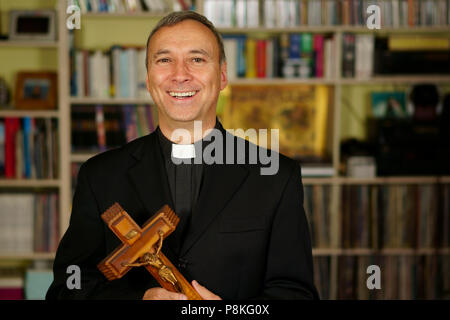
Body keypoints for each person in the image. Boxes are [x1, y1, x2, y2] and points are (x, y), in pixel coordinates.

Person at [46, 11, 319, 300]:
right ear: (149, 78)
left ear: (222, 75)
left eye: (197, 59)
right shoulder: (99, 176)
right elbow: (68, 289)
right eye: (164, 60)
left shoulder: (276, 176)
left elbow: (296, 294)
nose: (180, 74)